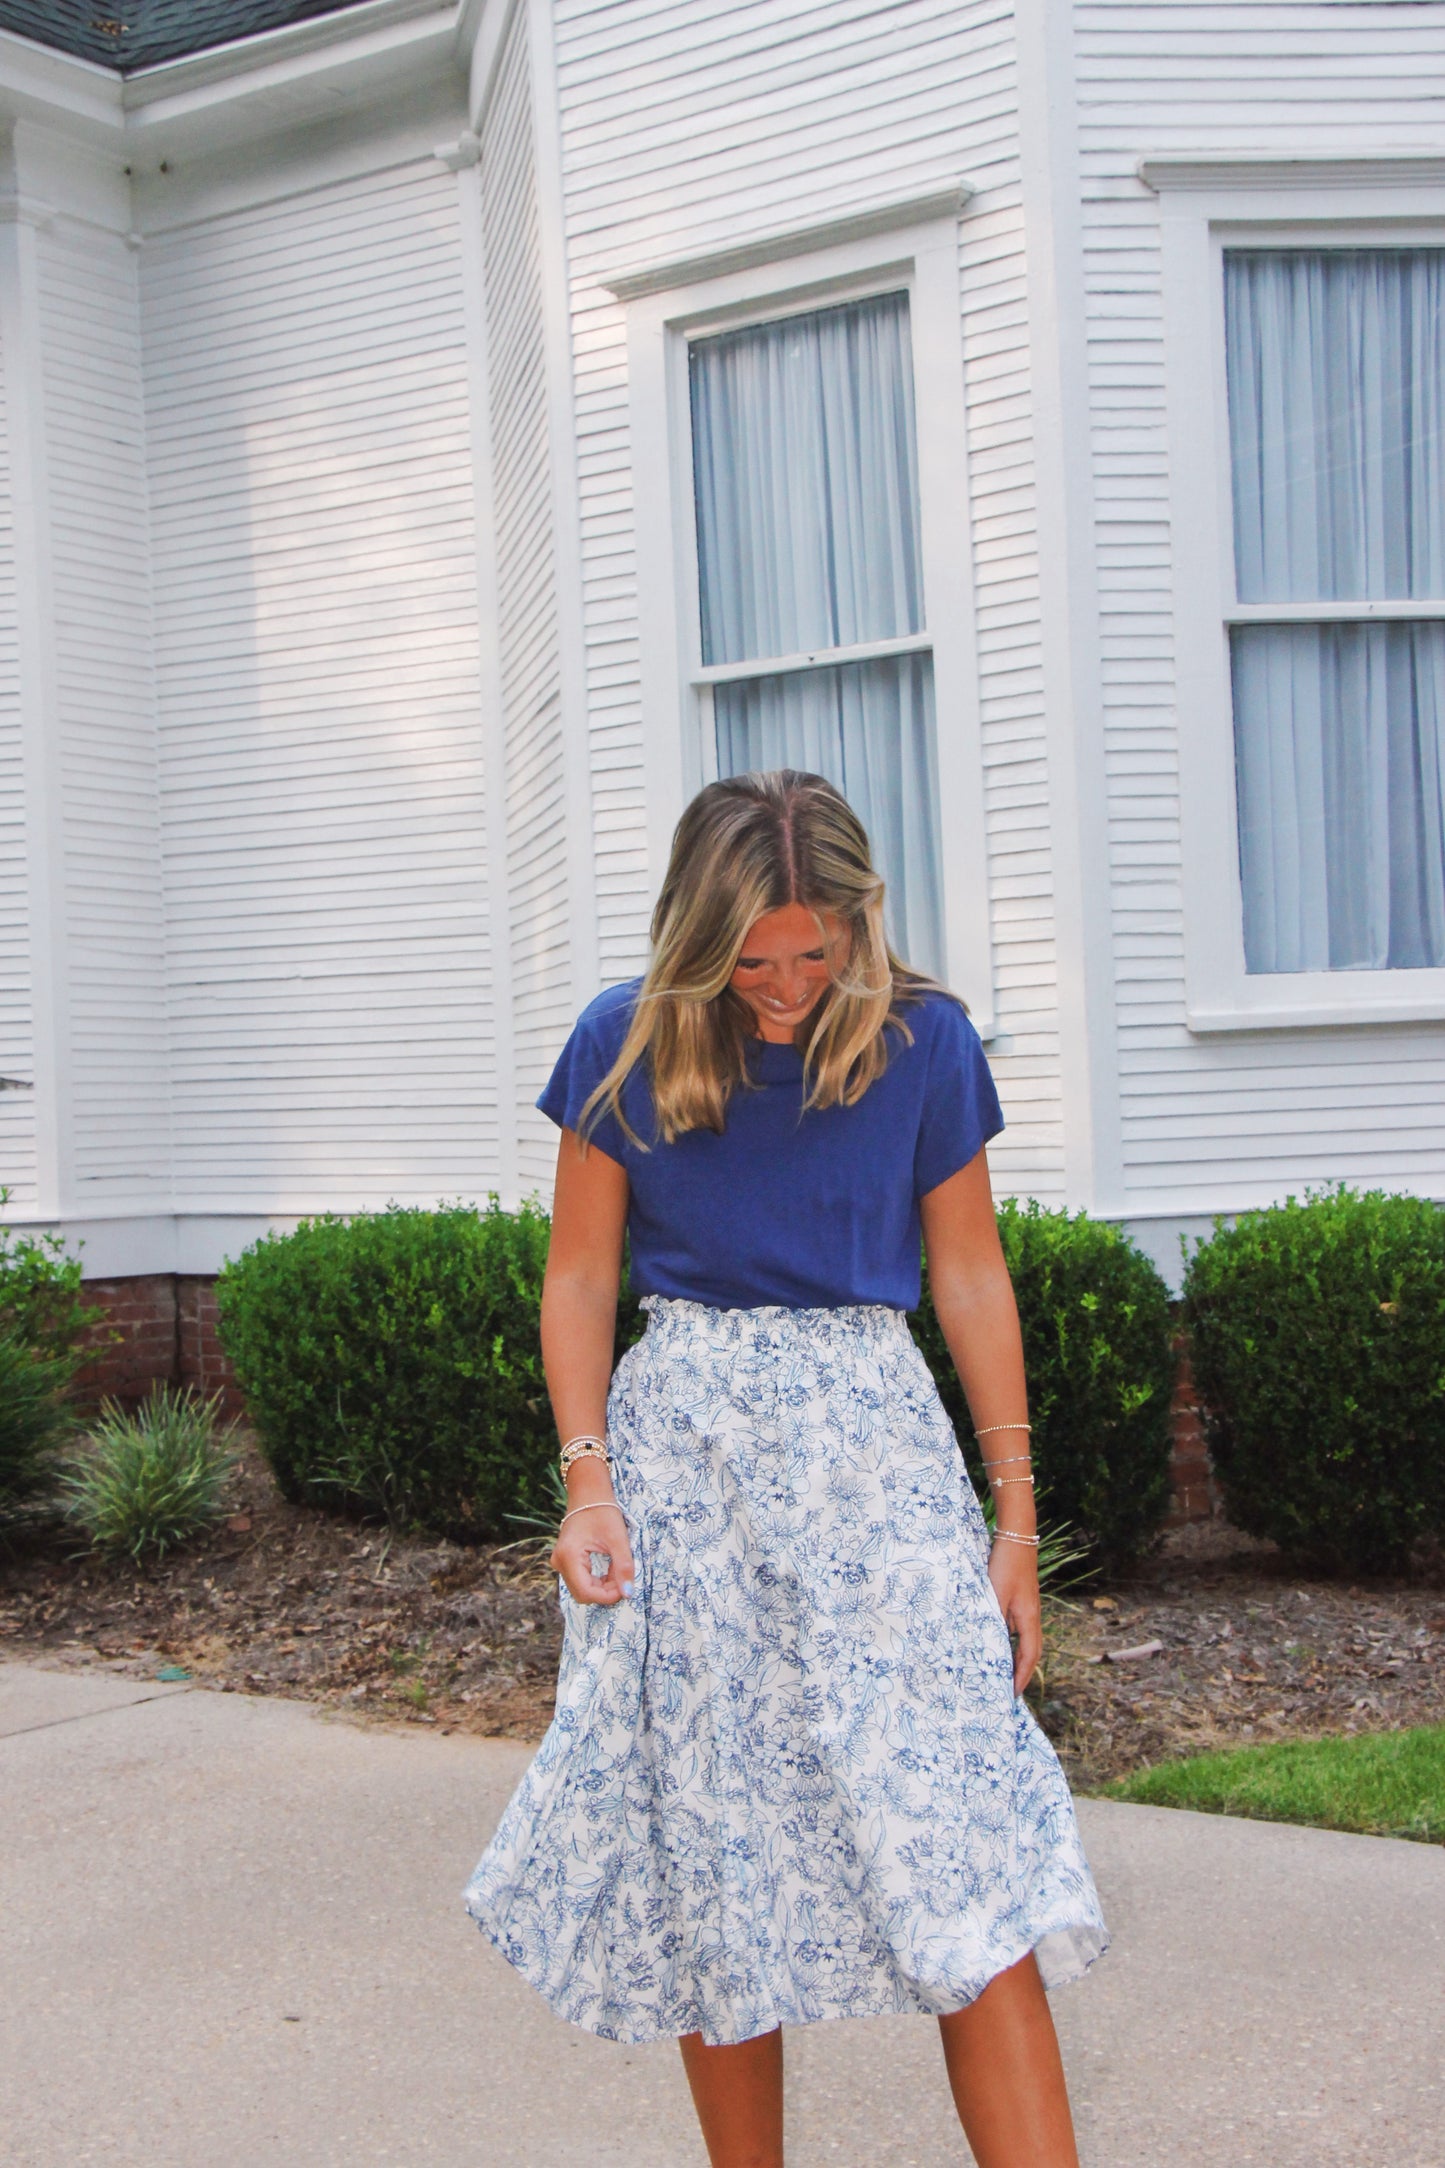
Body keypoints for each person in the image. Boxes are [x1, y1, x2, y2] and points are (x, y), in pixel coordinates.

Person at [466, 770, 1106, 2167]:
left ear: (861, 925)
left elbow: (970, 1277)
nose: (786, 986)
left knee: (960, 1846)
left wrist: (1013, 1524)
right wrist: (589, 1479)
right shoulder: (620, 1043)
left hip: (875, 1460)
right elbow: (577, 1282)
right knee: (719, 1850)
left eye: (815, 953)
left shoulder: (924, 1042)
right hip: (685, 1470)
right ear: (698, 940)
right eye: (752, 961)